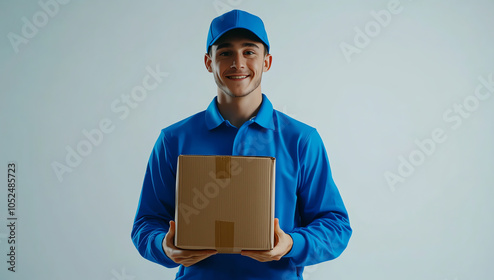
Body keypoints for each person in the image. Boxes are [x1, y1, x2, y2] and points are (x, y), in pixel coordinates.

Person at [131, 9, 352, 279]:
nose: (238, 63)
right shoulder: (174, 139)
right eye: (225, 53)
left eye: (249, 52)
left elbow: (336, 225)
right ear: (208, 62)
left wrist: (292, 244)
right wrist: (163, 246)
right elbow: (145, 223)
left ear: (267, 62)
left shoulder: (301, 140)